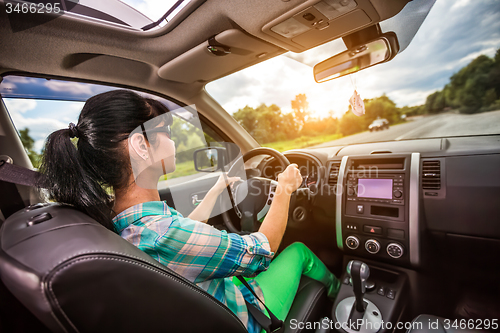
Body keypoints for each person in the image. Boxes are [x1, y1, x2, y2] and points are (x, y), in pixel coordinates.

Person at [38, 90, 340, 333]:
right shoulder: (161, 233)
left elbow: (185, 238)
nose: (174, 140)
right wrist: (285, 188)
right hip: (246, 317)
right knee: (299, 251)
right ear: (142, 145)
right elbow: (262, 250)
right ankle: (344, 293)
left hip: (215, 297)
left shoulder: (127, 221)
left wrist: (215, 190)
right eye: (166, 132)